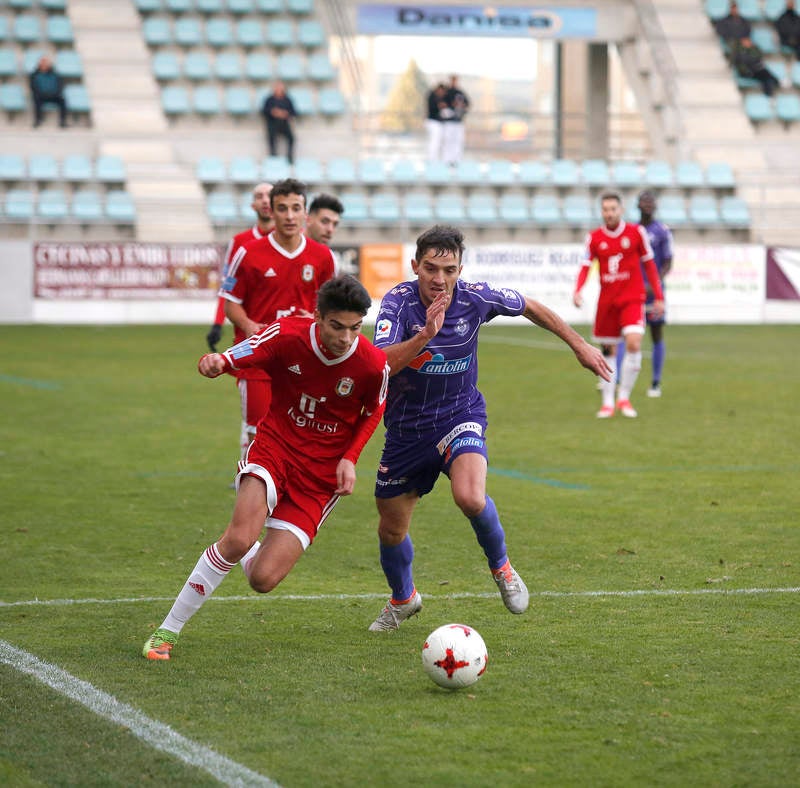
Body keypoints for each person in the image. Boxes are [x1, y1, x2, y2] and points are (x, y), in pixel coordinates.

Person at [366, 225, 612, 631]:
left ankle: (503, 569)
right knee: (391, 528)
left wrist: (579, 345)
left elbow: (532, 307)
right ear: (415, 266)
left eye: (449, 269)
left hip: (459, 414)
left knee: (470, 496)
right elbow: (382, 365)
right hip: (407, 430)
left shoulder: (476, 298)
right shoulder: (397, 304)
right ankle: (403, 599)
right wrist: (426, 334)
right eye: (430, 268)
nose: (439, 279)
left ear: (460, 269)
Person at [143, 275, 390, 660]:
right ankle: (166, 632)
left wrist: (350, 458)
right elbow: (247, 350)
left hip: (320, 479)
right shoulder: (288, 335)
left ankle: (245, 542)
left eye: (355, 328)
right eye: (336, 326)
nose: (345, 337)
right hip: (275, 449)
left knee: (262, 579)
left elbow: (375, 409)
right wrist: (219, 361)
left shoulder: (372, 364)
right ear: (317, 316)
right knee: (238, 538)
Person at [221, 178, 336, 463]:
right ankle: (252, 491)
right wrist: (249, 327)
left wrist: (316, 319)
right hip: (258, 358)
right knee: (256, 431)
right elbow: (230, 304)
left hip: (303, 359)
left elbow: (331, 307)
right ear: (271, 212)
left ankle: (289, 491)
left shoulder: (322, 256)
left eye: (295, 208)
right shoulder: (247, 253)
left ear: (305, 214)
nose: (289, 215)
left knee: (302, 429)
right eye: (282, 208)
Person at [573, 191, 664, 420]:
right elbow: (586, 266)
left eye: (613, 209)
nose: (609, 213)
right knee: (608, 352)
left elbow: (650, 266)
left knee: (634, 343)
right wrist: (578, 290)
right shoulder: (594, 238)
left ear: (621, 210)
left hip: (633, 298)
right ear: (601, 212)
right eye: (605, 209)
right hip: (608, 302)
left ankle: (624, 396)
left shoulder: (636, 233)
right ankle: (607, 403)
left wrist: (659, 297)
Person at [206, 182, 274, 353]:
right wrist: (217, 323)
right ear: (253, 205)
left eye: (270, 196)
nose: (265, 201)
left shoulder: (296, 243)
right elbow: (228, 289)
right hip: (249, 339)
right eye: (260, 197)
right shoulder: (240, 242)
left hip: (285, 339)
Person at [261, 81, 297, 163]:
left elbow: (293, 112)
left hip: (284, 124)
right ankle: (273, 156)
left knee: (291, 138)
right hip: (272, 123)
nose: (279, 90)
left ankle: (290, 156)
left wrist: (285, 114)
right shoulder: (269, 99)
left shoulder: (287, 100)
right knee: (271, 138)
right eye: (277, 88)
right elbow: (264, 111)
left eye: (280, 88)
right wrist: (273, 112)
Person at [29, 55, 67, 128]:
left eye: (46, 62)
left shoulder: (55, 74)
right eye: (42, 62)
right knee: (36, 100)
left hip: (54, 95)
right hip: (41, 96)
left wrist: (55, 93)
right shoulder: (34, 75)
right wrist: (41, 94)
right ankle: (38, 120)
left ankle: (63, 121)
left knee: (62, 100)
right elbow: (33, 87)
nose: (44, 64)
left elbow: (60, 86)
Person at [441, 75, 470, 166]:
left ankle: (456, 161)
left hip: (459, 121)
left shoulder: (460, 92)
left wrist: (461, 106)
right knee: (448, 141)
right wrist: (450, 106)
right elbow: (442, 105)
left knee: (458, 141)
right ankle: (446, 161)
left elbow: (467, 104)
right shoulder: (446, 93)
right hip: (449, 122)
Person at [425, 82, 448, 162]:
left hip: (439, 123)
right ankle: (432, 159)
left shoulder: (440, 98)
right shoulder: (432, 96)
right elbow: (433, 109)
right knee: (434, 142)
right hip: (433, 122)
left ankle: (437, 159)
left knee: (439, 142)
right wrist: (440, 106)